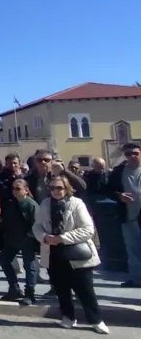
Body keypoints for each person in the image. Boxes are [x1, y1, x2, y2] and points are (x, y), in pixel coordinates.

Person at [33, 176, 109, 334]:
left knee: (85, 289)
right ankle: (68, 316)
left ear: (66, 188)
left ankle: (96, 320)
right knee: (61, 288)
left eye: (59, 188)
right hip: (53, 251)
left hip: (76, 253)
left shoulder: (76, 204)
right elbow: (37, 226)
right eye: (52, 188)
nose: (56, 191)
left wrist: (62, 238)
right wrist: (45, 237)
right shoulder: (45, 204)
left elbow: (88, 229)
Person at [0, 178, 38, 304]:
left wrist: (31, 237)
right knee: (3, 259)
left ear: (26, 190)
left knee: (29, 266)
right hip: (12, 239)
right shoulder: (12, 203)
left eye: (18, 188)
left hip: (27, 240)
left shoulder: (31, 205)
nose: (15, 191)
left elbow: (37, 224)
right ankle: (14, 287)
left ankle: (30, 293)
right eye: (13, 188)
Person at [106, 141, 141, 288]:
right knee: (132, 250)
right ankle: (136, 279)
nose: (132, 156)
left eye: (135, 153)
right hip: (128, 216)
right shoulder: (118, 171)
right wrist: (119, 196)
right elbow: (108, 190)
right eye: (128, 154)